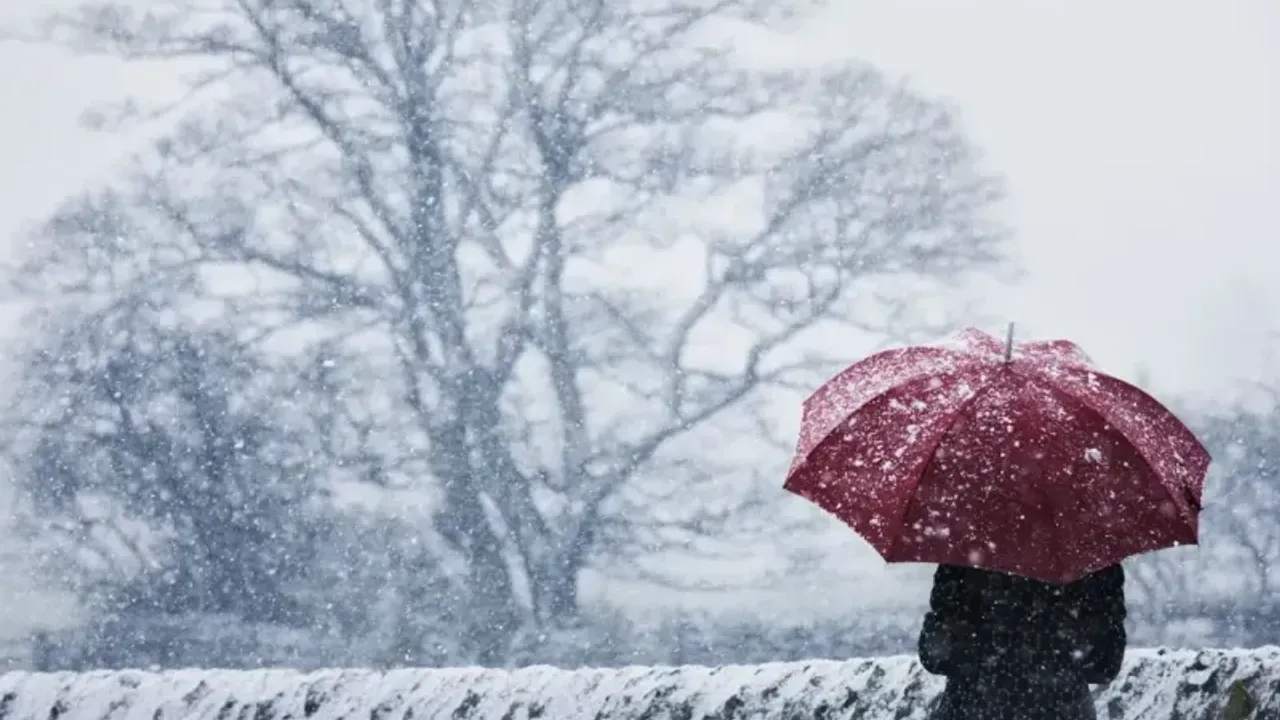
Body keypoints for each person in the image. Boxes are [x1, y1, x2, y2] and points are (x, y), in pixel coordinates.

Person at [918, 563, 1126, 720]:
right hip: (1062, 711)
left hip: (972, 708)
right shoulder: (1089, 553)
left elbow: (936, 656)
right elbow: (1105, 665)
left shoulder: (965, 549)